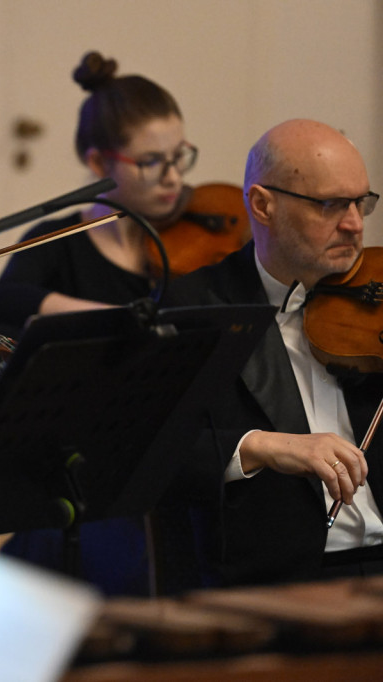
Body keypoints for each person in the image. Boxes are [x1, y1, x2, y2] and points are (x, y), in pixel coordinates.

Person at [0, 51, 197, 597]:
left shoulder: (197, 237)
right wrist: (125, 319)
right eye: (152, 162)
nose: (174, 178)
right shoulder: (61, 240)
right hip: (89, 466)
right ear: (100, 162)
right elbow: (6, 298)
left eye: (180, 157)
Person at [167, 118, 383, 586]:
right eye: (330, 205)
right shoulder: (194, 308)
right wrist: (261, 445)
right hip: (282, 584)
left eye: (360, 202)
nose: (353, 224)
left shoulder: (375, 298)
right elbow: (154, 451)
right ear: (263, 206)